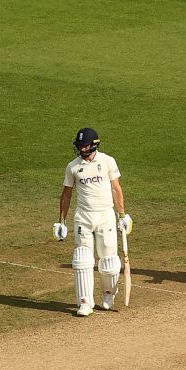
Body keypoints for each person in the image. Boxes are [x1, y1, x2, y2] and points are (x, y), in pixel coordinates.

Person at [54, 127, 131, 316]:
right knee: (82, 259)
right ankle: (85, 303)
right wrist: (61, 221)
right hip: (84, 216)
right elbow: (66, 194)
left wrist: (122, 215)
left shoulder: (107, 161)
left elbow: (116, 188)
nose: (81, 149)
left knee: (109, 261)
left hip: (105, 215)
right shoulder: (73, 166)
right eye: (79, 146)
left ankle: (108, 294)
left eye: (84, 145)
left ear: (94, 145)